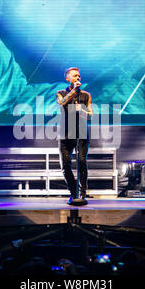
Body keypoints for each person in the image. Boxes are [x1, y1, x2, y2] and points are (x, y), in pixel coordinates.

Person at [56, 67, 93, 205]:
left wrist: (82, 110)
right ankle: (73, 192)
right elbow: (62, 103)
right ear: (68, 78)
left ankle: (82, 194)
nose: (78, 78)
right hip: (65, 134)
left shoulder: (86, 95)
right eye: (75, 76)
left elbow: (91, 115)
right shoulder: (60, 93)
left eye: (79, 76)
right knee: (65, 166)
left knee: (82, 163)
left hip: (81, 133)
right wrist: (73, 91)